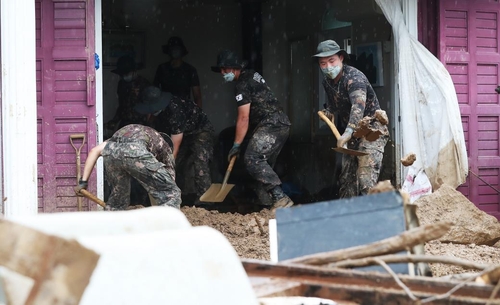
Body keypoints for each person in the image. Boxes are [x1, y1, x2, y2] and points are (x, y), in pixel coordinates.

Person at [211, 50, 293, 209]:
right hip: (280, 123)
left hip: (272, 123)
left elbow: (243, 117)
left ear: (235, 68)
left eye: (225, 69)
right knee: (262, 166)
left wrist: (236, 145)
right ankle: (267, 204)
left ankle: (280, 198)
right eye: (220, 70)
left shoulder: (242, 84)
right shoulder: (251, 74)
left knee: (252, 159)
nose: (222, 73)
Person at [314, 40, 389, 198]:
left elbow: (357, 107)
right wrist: (329, 112)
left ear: (341, 58)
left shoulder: (354, 78)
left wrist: (347, 133)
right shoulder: (327, 82)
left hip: (372, 131)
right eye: (323, 63)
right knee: (347, 181)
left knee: (365, 180)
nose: (328, 66)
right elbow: (335, 105)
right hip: (355, 135)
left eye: (331, 61)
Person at [134, 86, 214, 204]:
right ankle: (180, 196)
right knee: (179, 164)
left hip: (200, 131)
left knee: (199, 162)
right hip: (182, 132)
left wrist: (167, 164)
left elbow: (174, 147)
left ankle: (205, 201)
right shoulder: (159, 112)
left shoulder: (175, 110)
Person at [75, 124, 181, 210]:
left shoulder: (127, 134)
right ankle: (167, 227)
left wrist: (83, 182)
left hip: (111, 153)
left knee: (118, 200)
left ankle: (113, 225)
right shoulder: (164, 146)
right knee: (171, 191)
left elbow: (94, 151)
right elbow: (168, 180)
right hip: (136, 151)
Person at [154, 36, 203, 108]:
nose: (174, 51)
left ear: (181, 51)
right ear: (169, 51)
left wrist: (197, 117)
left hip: (184, 111)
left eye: (177, 49)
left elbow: (197, 96)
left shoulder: (190, 70)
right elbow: (154, 93)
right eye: (172, 49)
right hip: (166, 110)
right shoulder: (162, 69)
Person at [107, 55, 151, 131]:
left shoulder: (144, 84)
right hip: (125, 124)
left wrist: (148, 126)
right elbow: (122, 105)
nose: (124, 76)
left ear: (134, 71)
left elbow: (151, 108)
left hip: (141, 125)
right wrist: (115, 121)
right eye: (122, 74)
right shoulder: (121, 84)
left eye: (126, 73)